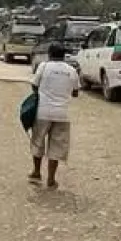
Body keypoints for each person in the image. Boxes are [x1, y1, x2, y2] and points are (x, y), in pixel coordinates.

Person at [28, 41, 79, 188]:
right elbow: (75, 93)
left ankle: (36, 172)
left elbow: (34, 85)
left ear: (49, 54)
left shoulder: (43, 67)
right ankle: (51, 179)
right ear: (64, 56)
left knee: (38, 141)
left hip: (42, 112)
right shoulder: (71, 70)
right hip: (62, 114)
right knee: (56, 147)